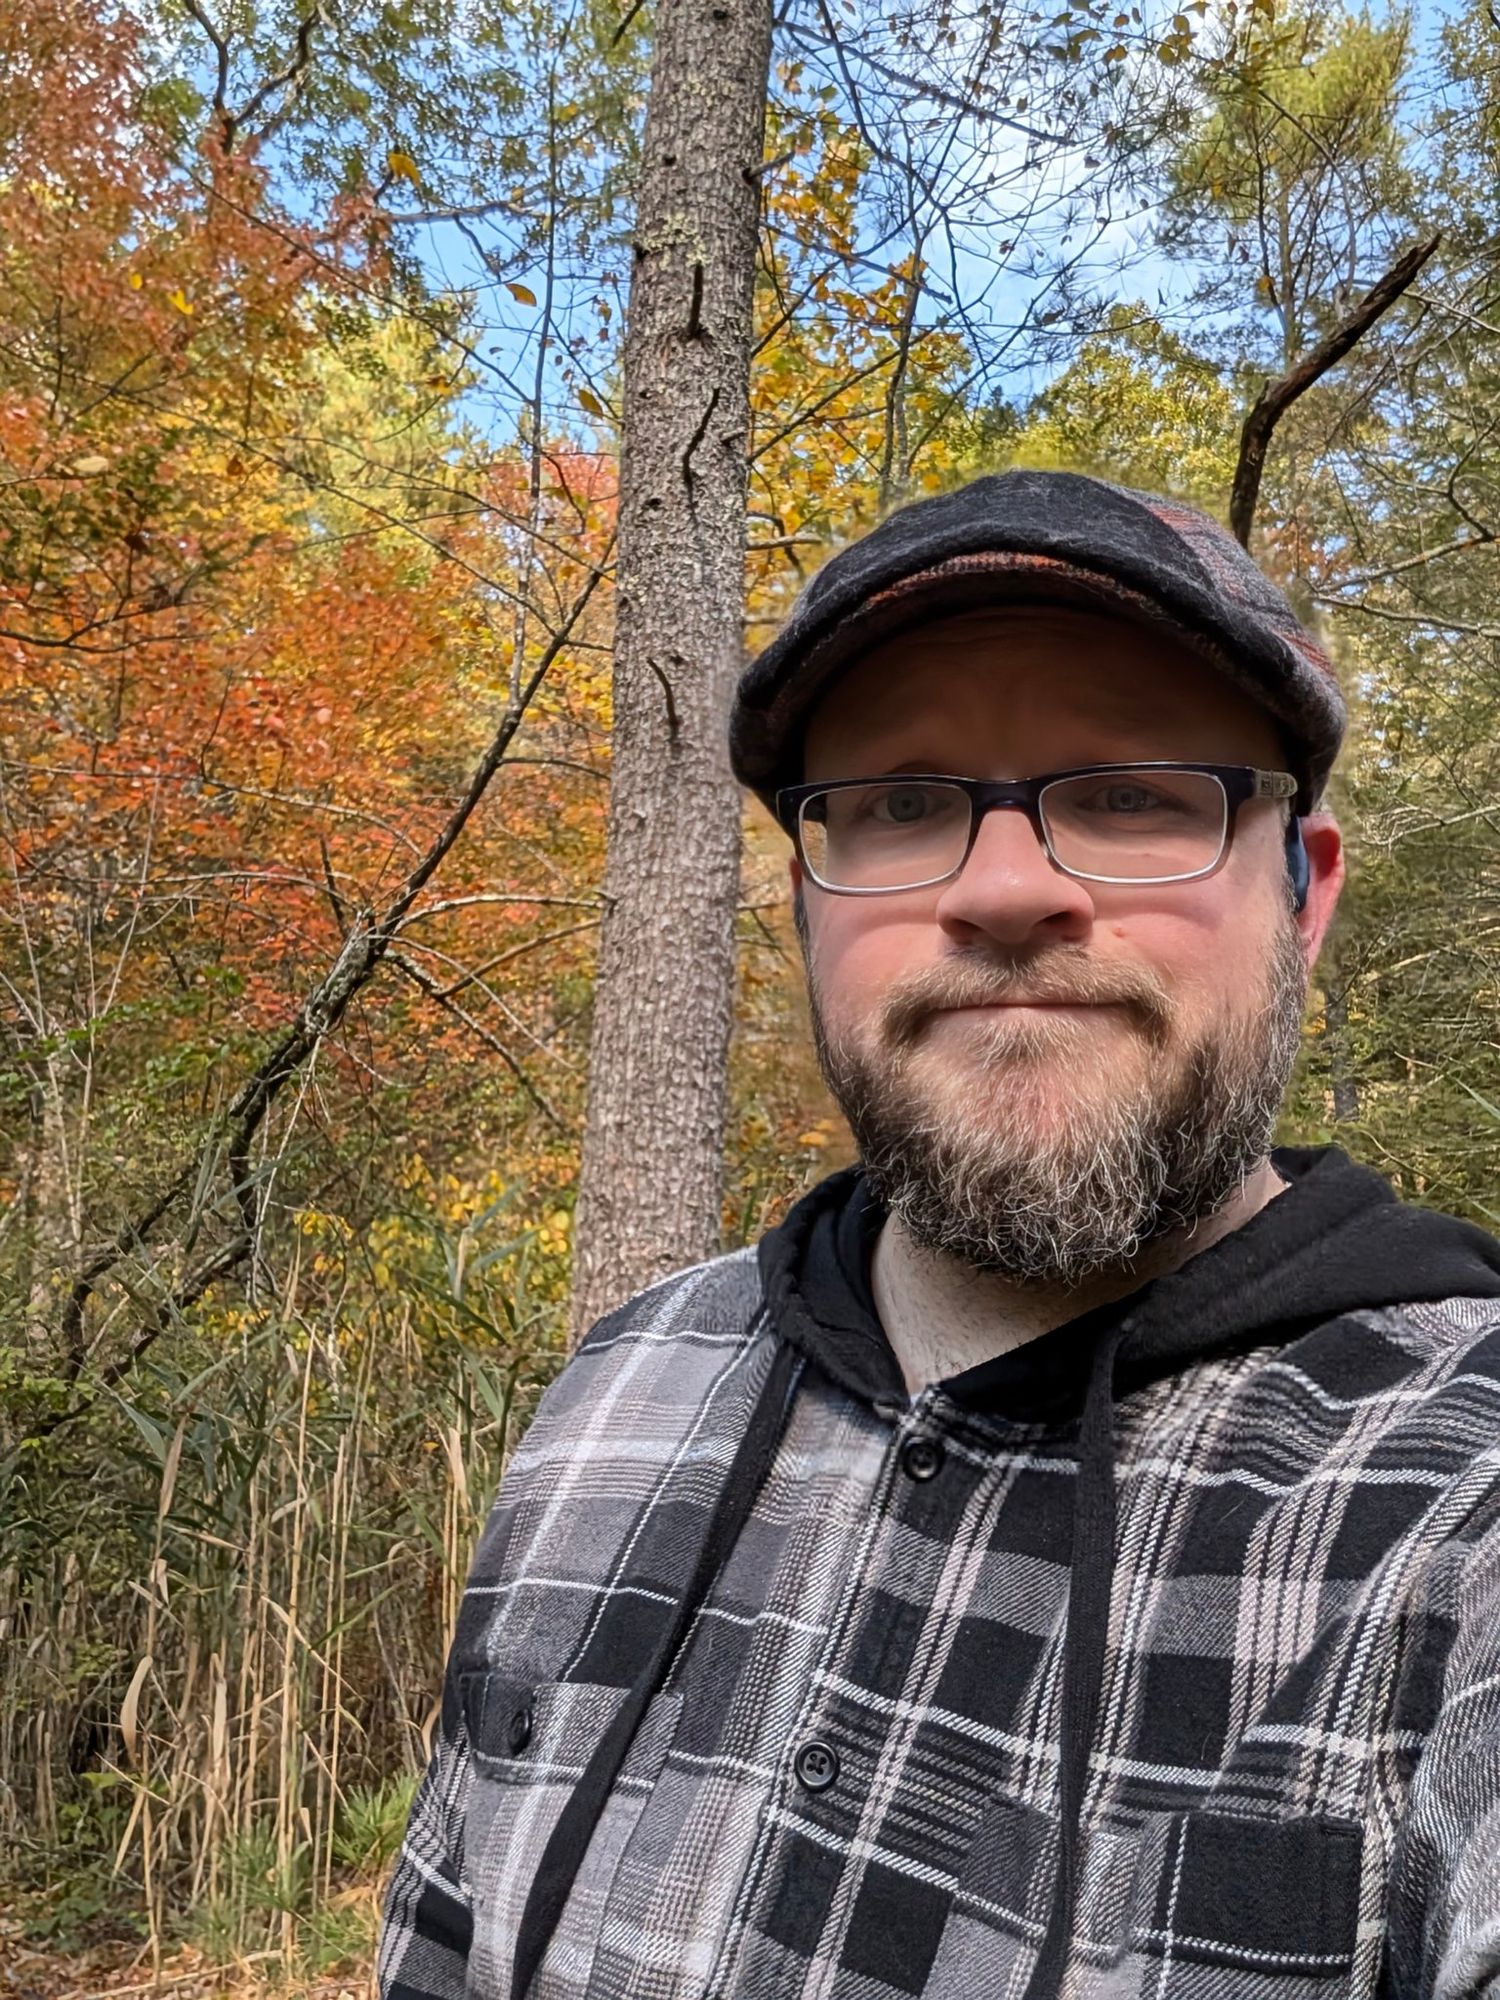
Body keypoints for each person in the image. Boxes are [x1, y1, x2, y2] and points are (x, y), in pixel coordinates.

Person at [378, 470, 1500, 2000]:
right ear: (803, 913)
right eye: (903, 805)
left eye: (1130, 793)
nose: (1009, 889)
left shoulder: (1457, 1503)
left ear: (1299, 894)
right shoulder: (613, 1400)